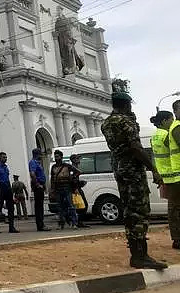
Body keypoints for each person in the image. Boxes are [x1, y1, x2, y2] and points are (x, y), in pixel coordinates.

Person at [101, 80, 166, 269]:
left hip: (119, 168)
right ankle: (140, 255)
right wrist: (152, 168)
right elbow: (135, 147)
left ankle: (135, 253)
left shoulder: (107, 124)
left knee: (129, 210)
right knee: (140, 210)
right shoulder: (126, 122)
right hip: (132, 170)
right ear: (126, 105)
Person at [0, 152, 18, 234]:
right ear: (0, 158)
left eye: (6, 157)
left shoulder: (6, 167)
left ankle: (11, 227)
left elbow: (7, 179)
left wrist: (11, 191)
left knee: (11, 207)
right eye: (3, 157)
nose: (5, 159)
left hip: (7, 188)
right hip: (0, 187)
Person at [50, 150, 78, 229]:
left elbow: (77, 172)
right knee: (60, 207)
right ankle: (61, 223)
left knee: (70, 205)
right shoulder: (54, 167)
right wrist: (52, 189)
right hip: (58, 188)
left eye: (57, 156)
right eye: (55, 156)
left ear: (61, 157)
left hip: (67, 187)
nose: (56, 158)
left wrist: (72, 179)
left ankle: (74, 222)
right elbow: (52, 179)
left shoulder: (67, 166)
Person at [165, 105, 180, 249]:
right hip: (178, 176)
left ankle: (177, 239)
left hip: (175, 175)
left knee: (175, 208)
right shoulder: (177, 127)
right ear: (175, 111)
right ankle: (177, 239)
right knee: (175, 209)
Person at [29, 148, 51, 231]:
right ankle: (40, 225)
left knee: (40, 206)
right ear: (37, 154)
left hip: (41, 185)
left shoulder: (38, 163)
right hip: (38, 186)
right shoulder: (33, 163)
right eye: (40, 154)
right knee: (38, 206)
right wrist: (38, 184)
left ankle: (41, 224)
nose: (42, 156)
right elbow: (32, 174)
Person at [69, 154, 91, 228]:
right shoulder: (72, 168)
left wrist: (80, 182)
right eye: (77, 159)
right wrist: (75, 188)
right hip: (75, 190)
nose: (79, 160)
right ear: (73, 160)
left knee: (80, 206)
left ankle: (79, 221)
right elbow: (72, 179)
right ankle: (78, 221)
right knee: (82, 205)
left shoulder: (75, 168)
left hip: (77, 188)